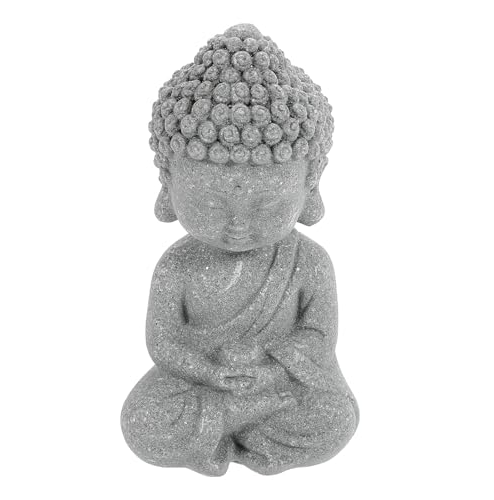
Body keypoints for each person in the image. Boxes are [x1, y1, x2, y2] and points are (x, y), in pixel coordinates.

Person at [121, 24, 358, 476]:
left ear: (309, 186)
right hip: (202, 382)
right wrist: (208, 373)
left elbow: (318, 339)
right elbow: (162, 340)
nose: (238, 226)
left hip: (277, 383)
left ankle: (230, 425)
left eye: (267, 205)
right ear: (168, 184)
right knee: (143, 422)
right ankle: (237, 420)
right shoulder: (177, 265)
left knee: (335, 419)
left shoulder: (310, 263)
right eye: (210, 205)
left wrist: (271, 372)